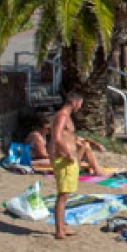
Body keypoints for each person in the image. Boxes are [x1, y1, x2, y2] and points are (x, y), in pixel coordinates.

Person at [47, 94, 83, 240]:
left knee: (66, 195)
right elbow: (56, 137)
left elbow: (66, 136)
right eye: (80, 103)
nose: (80, 106)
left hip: (68, 159)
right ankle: (59, 230)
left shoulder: (67, 116)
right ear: (74, 102)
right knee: (63, 195)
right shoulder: (62, 116)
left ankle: (63, 226)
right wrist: (68, 153)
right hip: (64, 159)